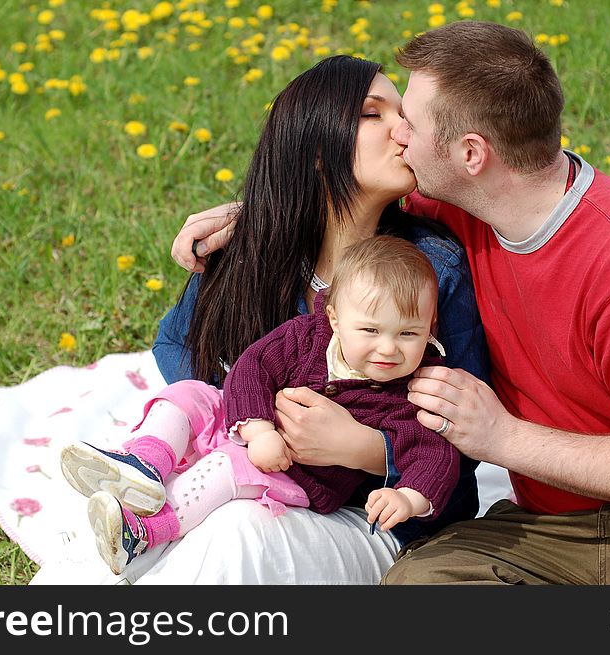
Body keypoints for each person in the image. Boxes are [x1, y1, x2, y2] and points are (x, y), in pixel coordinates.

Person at [175, 21, 610, 584]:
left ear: (471, 153)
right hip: (542, 531)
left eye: (410, 120)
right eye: (385, 116)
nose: (400, 134)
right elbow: (338, 194)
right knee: (418, 588)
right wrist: (260, 215)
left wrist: (501, 436)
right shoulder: (465, 206)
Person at [133, 54, 490, 584]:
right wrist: (254, 419)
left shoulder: (431, 269)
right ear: (315, 146)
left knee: (238, 533)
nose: (404, 130)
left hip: (379, 523)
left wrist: (366, 449)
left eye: (406, 115)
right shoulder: (251, 253)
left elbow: (462, 442)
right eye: (374, 114)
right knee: (158, 523)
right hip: (258, 475)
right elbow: (180, 350)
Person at [61, 235, 461, 575]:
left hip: (300, 474)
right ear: (336, 319)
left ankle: (144, 530)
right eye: (371, 330)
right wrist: (258, 428)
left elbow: (435, 456)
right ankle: (143, 463)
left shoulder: (411, 393)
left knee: (225, 468)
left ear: (430, 330)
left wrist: (407, 497)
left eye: (409, 333)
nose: (388, 348)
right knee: (188, 394)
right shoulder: (306, 337)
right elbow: (252, 368)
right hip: (255, 426)